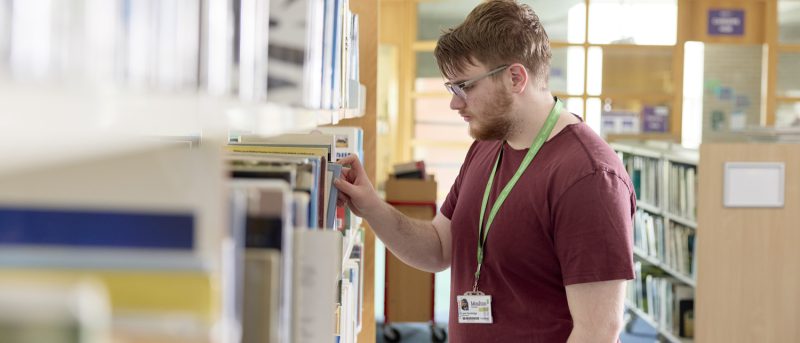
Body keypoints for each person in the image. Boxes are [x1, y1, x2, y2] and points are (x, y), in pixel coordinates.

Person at [334, 0, 635, 341]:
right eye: (452, 88)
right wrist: (371, 206)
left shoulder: (589, 176)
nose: (454, 102)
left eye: (465, 86)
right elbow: (438, 248)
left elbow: (598, 331)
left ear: (515, 78)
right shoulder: (487, 145)